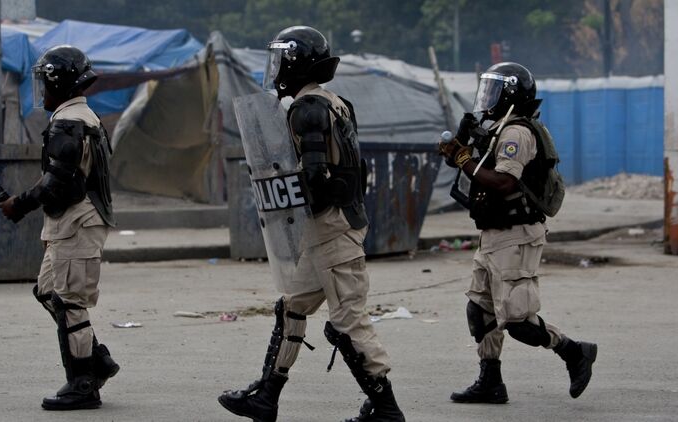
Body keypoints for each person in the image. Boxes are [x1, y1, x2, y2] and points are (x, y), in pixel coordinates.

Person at [218, 26, 405, 422]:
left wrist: (285, 188)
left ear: (294, 64)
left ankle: (386, 409)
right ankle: (266, 396)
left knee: (347, 324)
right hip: (324, 230)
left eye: (279, 60)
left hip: (333, 230)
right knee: (292, 307)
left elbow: (317, 176)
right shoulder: (336, 102)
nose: (275, 68)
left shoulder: (307, 110)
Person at [439, 62, 597, 404]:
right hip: (493, 233)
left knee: (517, 321)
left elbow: (504, 181)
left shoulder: (517, 133)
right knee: (479, 310)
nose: (487, 97)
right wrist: (462, 147)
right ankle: (490, 381)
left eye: (494, 90)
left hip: (517, 235)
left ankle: (574, 352)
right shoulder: (497, 130)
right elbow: (475, 167)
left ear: (510, 95)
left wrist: (464, 160)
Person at [0, 45, 119, 410]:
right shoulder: (80, 117)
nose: (41, 91)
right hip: (72, 222)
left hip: (77, 222)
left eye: (44, 82)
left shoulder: (69, 123)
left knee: (69, 302)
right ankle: (95, 359)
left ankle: (83, 383)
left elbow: (58, 182)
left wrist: (18, 205)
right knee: (48, 291)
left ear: (58, 83)